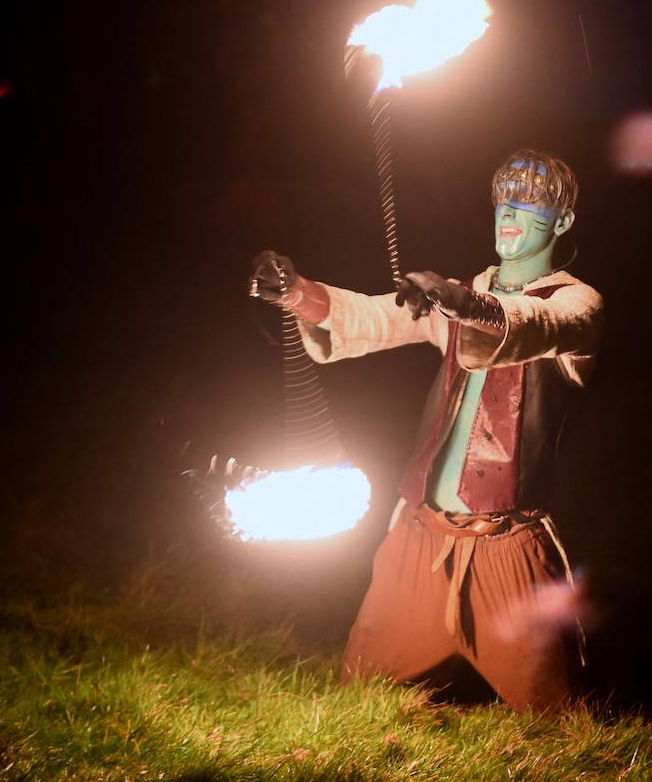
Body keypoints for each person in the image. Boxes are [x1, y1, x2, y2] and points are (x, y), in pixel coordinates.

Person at [251, 148, 602, 712]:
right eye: (503, 198)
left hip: (506, 549)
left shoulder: (576, 302)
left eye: (531, 200)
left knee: (557, 721)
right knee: (360, 702)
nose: (510, 209)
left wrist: (466, 305)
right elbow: (373, 318)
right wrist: (297, 292)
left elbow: (540, 325)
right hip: (420, 539)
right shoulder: (456, 294)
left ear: (562, 223)